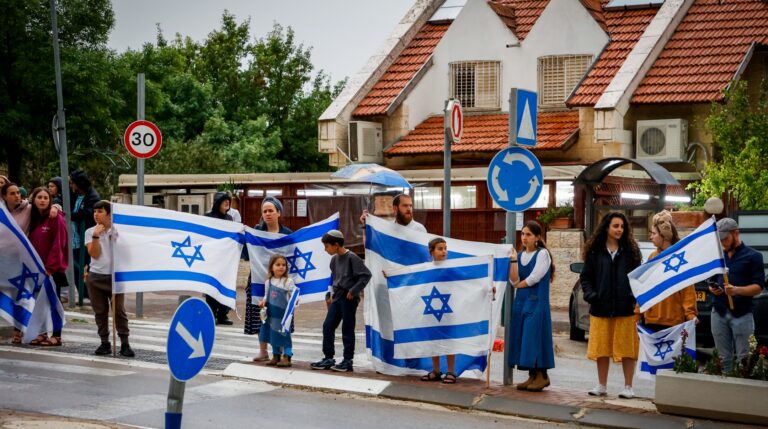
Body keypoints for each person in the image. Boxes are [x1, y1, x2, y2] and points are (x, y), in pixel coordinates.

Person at [580, 212, 642, 399]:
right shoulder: (594, 252)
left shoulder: (631, 252)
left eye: (622, 227)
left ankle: (628, 387)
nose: (619, 230)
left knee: (628, 349)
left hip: (625, 309)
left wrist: (632, 297)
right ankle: (602, 385)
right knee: (601, 348)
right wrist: (591, 295)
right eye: (615, 226)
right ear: (606, 227)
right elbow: (586, 277)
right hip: (600, 308)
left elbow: (638, 277)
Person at [311, 230, 372, 372]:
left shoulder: (352, 258)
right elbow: (334, 279)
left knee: (347, 328)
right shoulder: (334, 260)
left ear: (336, 245)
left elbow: (365, 275)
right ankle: (328, 357)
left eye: (327, 246)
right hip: (337, 297)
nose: (325, 250)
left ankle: (347, 360)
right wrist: (329, 294)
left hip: (348, 298)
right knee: (328, 326)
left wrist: (354, 290)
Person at [709, 218, 765, 372]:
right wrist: (712, 289)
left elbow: (759, 287)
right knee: (722, 359)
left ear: (736, 233)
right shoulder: (718, 257)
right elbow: (711, 280)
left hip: (742, 313)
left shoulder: (754, 256)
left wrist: (737, 290)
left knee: (744, 359)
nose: (723, 243)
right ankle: (725, 392)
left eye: (725, 238)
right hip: (719, 312)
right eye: (720, 240)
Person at [508, 221, 555, 392]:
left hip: (537, 302)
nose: (524, 237)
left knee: (534, 338)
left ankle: (542, 375)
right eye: (522, 234)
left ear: (537, 237)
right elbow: (513, 279)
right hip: (522, 302)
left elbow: (535, 277)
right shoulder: (519, 255)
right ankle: (532, 375)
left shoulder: (543, 254)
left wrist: (519, 285)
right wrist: (513, 260)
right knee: (523, 339)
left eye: (528, 234)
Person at [85, 200, 134, 357]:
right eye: (95, 211)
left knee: (119, 310)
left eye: (100, 211)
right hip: (96, 276)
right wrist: (95, 236)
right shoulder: (90, 231)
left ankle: (125, 343)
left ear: (109, 214)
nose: (96, 215)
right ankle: (104, 342)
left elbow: (127, 254)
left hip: (115, 276)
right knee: (100, 311)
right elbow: (94, 254)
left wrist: (117, 239)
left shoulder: (119, 231)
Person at [247, 196, 294, 361]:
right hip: (259, 279)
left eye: (271, 211)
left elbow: (294, 257)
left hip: (281, 283)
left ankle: (280, 350)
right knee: (262, 315)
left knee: (279, 317)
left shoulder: (287, 234)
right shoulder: (256, 232)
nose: (267, 214)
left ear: (278, 213)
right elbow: (247, 255)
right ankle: (263, 350)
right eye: (264, 211)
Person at [638, 211, 697, 332]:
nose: (650, 237)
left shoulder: (680, 258)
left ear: (664, 235)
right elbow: (643, 287)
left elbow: (687, 290)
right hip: (651, 320)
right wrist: (637, 312)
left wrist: (690, 314)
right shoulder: (652, 257)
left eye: (654, 233)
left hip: (674, 322)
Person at [26, 187, 69, 346]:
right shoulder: (33, 217)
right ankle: (42, 333)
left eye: (46, 197)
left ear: (50, 200)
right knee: (39, 304)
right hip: (35, 269)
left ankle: (56, 336)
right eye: (39, 197)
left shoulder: (56, 217)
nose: (42, 200)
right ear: (34, 199)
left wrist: (50, 268)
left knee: (53, 303)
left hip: (52, 270)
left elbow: (59, 244)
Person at [418, 237, 460, 384]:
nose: (444, 252)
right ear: (431, 251)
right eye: (440, 249)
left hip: (448, 311)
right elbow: (412, 281)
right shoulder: (425, 269)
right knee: (433, 341)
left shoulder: (451, 269)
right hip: (431, 311)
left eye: (445, 248)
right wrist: (392, 277)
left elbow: (467, 283)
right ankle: (436, 371)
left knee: (449, 341)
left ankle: (451, 371)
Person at [258, 254, 296, 367]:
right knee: (272, 334)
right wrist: (263, 301)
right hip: (272, 314)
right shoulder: (268, 282)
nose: (281, 267)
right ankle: (276, 355)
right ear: (271, 267)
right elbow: (266, 295)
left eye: (283, 265)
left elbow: (294, 295)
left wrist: (296, 300)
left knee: (284, 335)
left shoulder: (288, 281)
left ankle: (287, 356)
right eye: (278, 264)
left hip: (283, 315)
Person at [205, 192, 235, 325]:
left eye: (228, 201)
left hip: (226, 259)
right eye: (225, 201)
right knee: (212, 286)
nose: (227, 204)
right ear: (218, 203)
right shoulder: (208, 217)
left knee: (225, 285)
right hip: (212, 258)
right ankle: (211, 313)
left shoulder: (230, 218)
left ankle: (223, 314)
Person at [70, 170, 100, 302]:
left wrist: (70, 216)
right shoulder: (75, 195)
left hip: (87, 237)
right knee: (76, 267)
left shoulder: (92, 195)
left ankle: (89, 295)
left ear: (79, 183)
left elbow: (88, 213)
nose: (71, 186)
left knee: (89, 266)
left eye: (73, 183)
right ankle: (83, 293)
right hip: (75, 237)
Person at [360, 193, 427, 232]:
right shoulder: (388, 228)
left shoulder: (419, 229)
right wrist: (365, 224)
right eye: (405, 205)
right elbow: (373, 245)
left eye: (410, 206)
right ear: (395, 208)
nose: (409, 209)